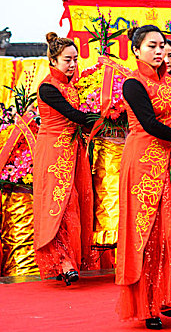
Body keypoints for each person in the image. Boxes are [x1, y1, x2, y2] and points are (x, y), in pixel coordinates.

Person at [116, 25, 171, 330]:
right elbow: (150, 124)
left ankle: (166, 294)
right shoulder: (132, 84)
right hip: (143, 162)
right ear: (136, 50)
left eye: (162, 45)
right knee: (147, 236)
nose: (159, 50)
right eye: (152, 46)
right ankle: (147, 305)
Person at [34, 32, 94, 285]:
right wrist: (105, 117)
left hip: (73, 150)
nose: (72, 65)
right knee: (60, 203)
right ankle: (63, 261)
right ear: (54, 60)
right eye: (67, 60)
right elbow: (72, 114)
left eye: (75, 60)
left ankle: (67, 260)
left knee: (74, 201)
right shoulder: (48, 87)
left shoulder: (71, 86)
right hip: (53, 151)